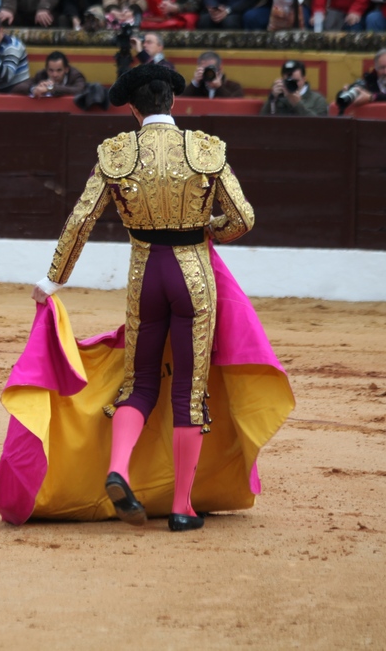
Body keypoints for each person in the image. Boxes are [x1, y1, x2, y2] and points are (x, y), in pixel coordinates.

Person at [29, 62, 258, 533]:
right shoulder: (205, 149)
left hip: (144, 275)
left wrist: (54, 280)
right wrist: (206, 230)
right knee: (188, 394)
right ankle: (181, 507)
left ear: (133, 109)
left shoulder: (117, 153)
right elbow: (243, 219)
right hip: (192, 275)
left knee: (139, 383)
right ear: (172, 102)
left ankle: (119, 470)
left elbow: (80, 221)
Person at [12, 51, 88, 98]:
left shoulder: (75, 76)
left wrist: (50, 88)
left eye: (59, 70)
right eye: (51, 70)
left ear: (66, 69)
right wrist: (34, 89)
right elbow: (17, 88)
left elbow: (80, 90)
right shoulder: (42, 75)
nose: (54, 74)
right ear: (46, 69)